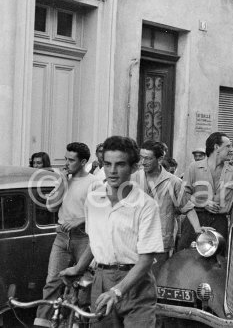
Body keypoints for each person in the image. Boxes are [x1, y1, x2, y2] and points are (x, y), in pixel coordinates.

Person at [60, 136, 164, 327]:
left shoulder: (147, 205)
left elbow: (146, 260)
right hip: (101, 281)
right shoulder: (93, 199)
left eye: (120, 164)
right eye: (107, 164)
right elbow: (95, 241)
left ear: (134, 167)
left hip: (136, 284)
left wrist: (117, 291)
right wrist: (78, 268)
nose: (112, 171)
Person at [34, 143, 97, 327]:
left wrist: (81, 219)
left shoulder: (94, 183)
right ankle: (42, 324)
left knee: (83, 285)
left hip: (83, 238)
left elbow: (101, 214)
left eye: (71, 160)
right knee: (52, 282)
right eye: (66, 159)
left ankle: (79, 323)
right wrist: (62, 181)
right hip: (62, 238)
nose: (67, 163)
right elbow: (51, 206)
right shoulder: (64, 179)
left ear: (83, 162)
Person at [131, 140, 186, 274]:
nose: (143, 162)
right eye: (141, 158)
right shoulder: (132, 179)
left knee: (155, 282)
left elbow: (186, 208)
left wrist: (197, 228)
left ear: (160, 159)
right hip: (133, 241)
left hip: (160, 243)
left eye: (148, 158)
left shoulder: (174, 182)